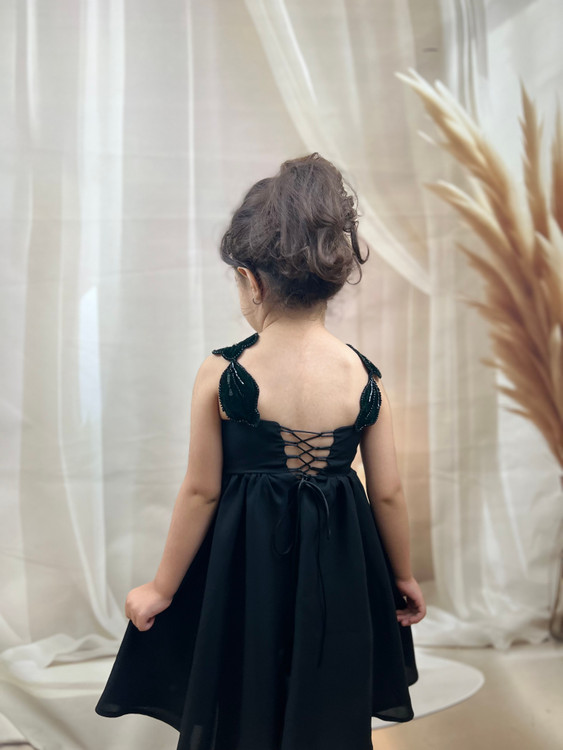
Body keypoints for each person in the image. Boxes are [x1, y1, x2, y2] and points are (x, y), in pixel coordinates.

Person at [95, 152, 426, 750]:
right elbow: (388, 493)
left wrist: (161, 589)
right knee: (327, 699)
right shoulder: (365, 378)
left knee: (244, 701)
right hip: (339, 570)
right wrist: (402, 575)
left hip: (245, 571)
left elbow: (201, 491)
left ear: (251, 280)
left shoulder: (222, 373)